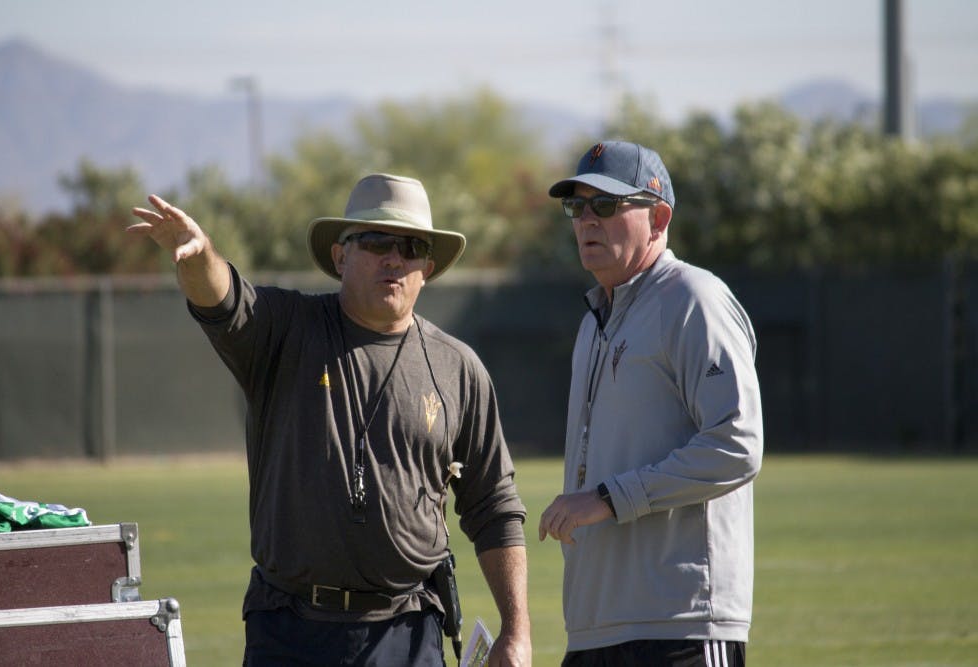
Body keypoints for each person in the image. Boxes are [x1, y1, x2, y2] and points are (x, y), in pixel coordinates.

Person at [129, 173, 532, 667]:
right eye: (377, 241)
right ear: (341, 256)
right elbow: (223, 300)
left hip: (406, 631)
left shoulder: (457, 367)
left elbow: (494, 507)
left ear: (427, 267)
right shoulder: (287, 329)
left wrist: (516, 631)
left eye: (410, 246)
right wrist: (199, 255)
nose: (394, 257)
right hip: (289, 628)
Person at [538, 141, 763, 667]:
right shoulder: (594, 320)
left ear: (659, 217)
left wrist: (611, 498)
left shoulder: (693, 299)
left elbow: (738, 445)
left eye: (607, 205)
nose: (586, 220)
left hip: (679, 624)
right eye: (577, 206)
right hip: (595, 627)